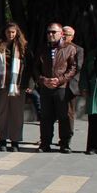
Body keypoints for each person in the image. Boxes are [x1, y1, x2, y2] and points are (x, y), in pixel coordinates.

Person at [32, 23, 78, 153]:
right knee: (46, 117)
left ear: (61, 34)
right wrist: (43, 80)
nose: (50, 35)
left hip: (62, 88)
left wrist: (60, 80)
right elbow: (35, 68)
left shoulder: (69, 49)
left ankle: (64, 144)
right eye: (48, 32)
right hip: (46, 87)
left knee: (64, 116)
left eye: (53, 32)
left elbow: (73, 68)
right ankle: (45, 143)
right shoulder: (42, 49)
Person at [0, 22, 31, 152]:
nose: (10, 35)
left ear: (17, 33)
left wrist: (29, 84)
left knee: (17, 114)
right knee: (2, 113)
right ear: (4, 32)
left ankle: (15, 141)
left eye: (13, 32)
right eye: (8, 32)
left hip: (17, 85)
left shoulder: (23, 47)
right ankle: (2, 140)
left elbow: (29, 67)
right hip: (1, 84)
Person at [62, 26, 84, 130]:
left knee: (68, 113)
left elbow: (78, 67)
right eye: (63, 34)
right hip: (55, 84)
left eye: (67, 35)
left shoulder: (78, 49)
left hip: (70, 85)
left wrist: (64, 77)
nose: (64, 37)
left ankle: (66, 140)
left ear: (72, 37)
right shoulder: (54, 47)